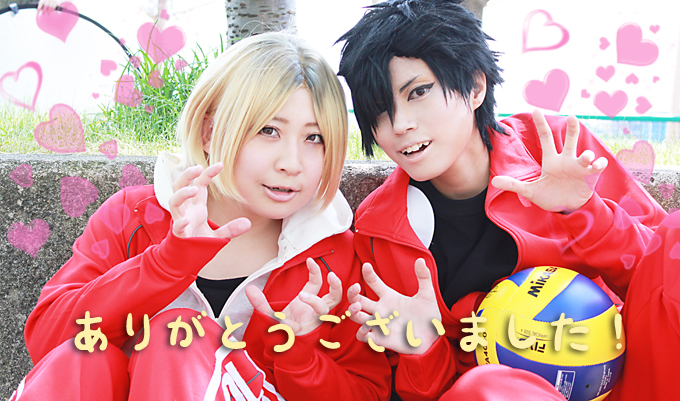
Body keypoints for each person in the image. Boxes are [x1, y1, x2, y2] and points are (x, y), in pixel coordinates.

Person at [10, 32, 391, 401]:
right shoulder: (134, 216)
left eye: (314, 138)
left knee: (174, 337)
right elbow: (48, 343)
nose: (292, 163)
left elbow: (369, 391)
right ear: (209, 132)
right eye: (268, 130)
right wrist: (165, 264)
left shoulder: (334, 256)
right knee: (87, 358)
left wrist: (297, 355)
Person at [336, 0, 671, 399]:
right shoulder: (381, 228)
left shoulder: (556, 150)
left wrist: (585, 212)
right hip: (495, 392)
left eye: (419, 92)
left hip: (629, 380)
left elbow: (657, 286)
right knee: (485, 386)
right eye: (379, 110)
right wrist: (422, 347)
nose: (399, 125)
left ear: (476, 86)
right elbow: (431, 391)